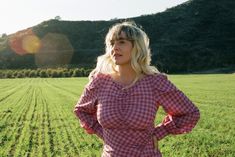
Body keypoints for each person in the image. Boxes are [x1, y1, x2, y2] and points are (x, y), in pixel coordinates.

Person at [74, 21, 200, 157]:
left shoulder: (154, 82)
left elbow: (190, 112)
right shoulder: (100, 81)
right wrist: (102, 132)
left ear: (137, 47)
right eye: (111, 43)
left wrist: (159, 133)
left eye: (122, 42)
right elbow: (81, 110)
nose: (114, 47)